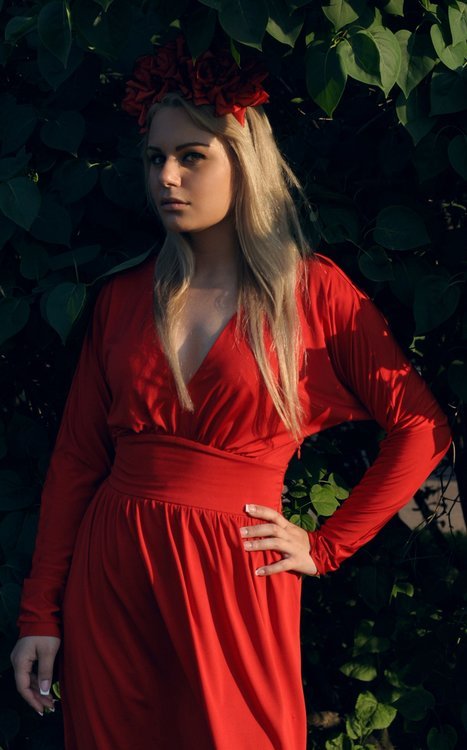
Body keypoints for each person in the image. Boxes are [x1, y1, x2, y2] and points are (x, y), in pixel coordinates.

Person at [11, 37, 451, 750]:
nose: (168, 176)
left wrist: (328, 546)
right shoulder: (123, 298)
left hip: (235, 577)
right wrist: (40, 615)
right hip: (112, 576)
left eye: (192, 156)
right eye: (155, 158)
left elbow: (422, 428)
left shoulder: (313, 293)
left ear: (242, 162)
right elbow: (76, 462)